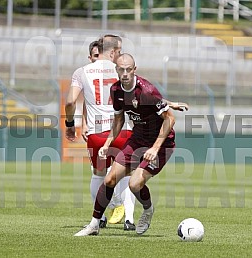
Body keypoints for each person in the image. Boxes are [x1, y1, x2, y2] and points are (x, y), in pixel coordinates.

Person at [74, 53, 185, 237]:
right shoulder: (116, 90)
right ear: (116, 70)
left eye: (128, 69)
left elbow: (170, 120)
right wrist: (108, 143)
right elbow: (118, 120)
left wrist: (155, 148)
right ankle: (94, 225)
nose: (125, 73)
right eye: (121, 69)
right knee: (109, 179)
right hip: (137, 139)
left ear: (134, 70)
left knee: (134, 184)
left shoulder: (147, 90)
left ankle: (148, 211)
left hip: (162, 144)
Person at [65, 36, 136, 230]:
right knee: (127, 174)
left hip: (97, 133)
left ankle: (100, 217)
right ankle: (129, 219)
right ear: (113, 52)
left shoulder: (81, 72)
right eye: (119, 51)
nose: (120, 55)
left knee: (98, 175)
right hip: (122, 131)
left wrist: (70, 124)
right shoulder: (123, 70)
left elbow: (71, 102)